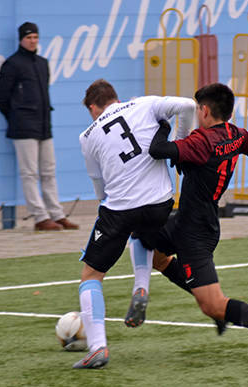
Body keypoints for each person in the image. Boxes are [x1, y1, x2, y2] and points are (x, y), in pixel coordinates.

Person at [127, 83, 248, 364]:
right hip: (190, 220)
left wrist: (162, 122)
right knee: (150, 248)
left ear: (204, 110)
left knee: (212, 305)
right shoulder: (235, 134)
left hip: (195, 232)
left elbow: (157, 150)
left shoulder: (202, 142)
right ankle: (218, 309)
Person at [73, 79, 195, 369]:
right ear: (115, 97)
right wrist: (179, 143)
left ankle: (98, 348)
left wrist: (110, 198)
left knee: (91, 275)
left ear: (93, 107)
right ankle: (141, 287)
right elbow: (189, 106)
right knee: (144, 237)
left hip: (120, 210)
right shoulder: (144, 104)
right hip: (160, 202)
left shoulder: (87, 135)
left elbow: (99, 188)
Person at [0, 22, 79, 231]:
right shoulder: (12, 63)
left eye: (35, 37)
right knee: (29, 174)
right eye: (29, 37)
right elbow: (0, 96)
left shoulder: (42, 62)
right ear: (21, 39)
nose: (32, 41)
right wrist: (16, 115)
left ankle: (57, 214)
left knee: (49, 171)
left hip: (43, 125)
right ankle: (39, 217)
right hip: (23, 128)